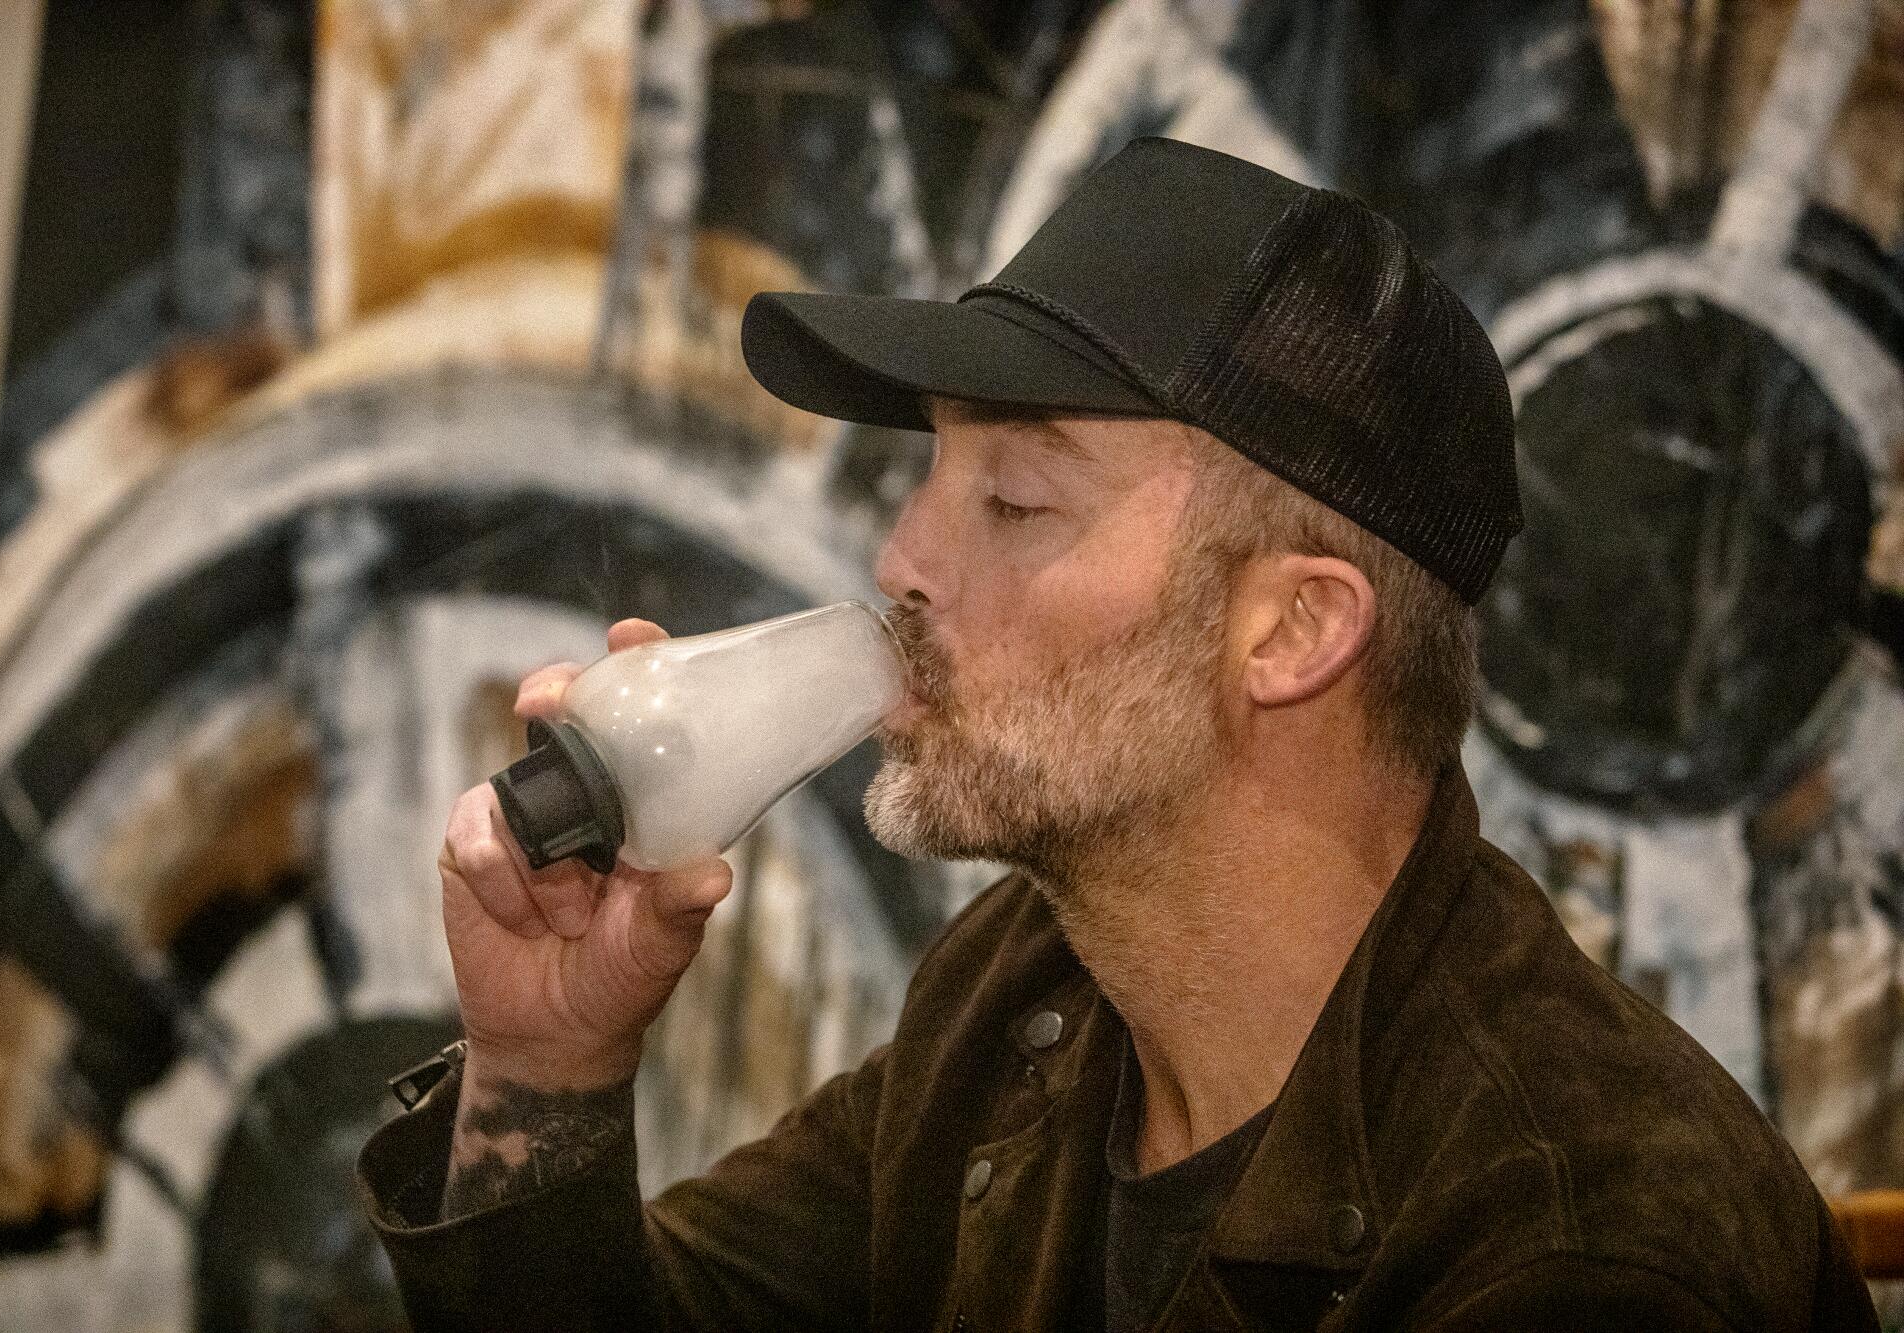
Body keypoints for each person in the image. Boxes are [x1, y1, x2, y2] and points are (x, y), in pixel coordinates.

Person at [356, 138, 1878, 1331]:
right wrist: (545, 1071)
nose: (904, 559)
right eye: (934, 478)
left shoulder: (1582, 1245)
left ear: (1293, 629)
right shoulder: (1022, 1003)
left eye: (1016, 500)